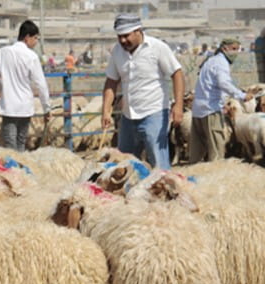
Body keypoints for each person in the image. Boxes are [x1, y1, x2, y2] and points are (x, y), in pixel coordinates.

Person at [101, 14, 184, 170]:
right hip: (128, 116)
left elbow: (177, 74)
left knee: (158, 163)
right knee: (123, 164)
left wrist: (178, 105)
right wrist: (106, 110)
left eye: (126, 36)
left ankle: (164, 191)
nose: (123, 40)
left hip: (154, 113)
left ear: (138, 31)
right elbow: (111, 82)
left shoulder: (157, 48)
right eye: (120, 37)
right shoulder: (117, 52)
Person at [0, 20, 51, 151]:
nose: (36, 42)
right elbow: (41, 85)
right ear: (27, 37)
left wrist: (3, 90)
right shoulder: (31, 56)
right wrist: (46, 108)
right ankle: (22, 169)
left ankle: (13, 169)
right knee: (21, 143)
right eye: (35, 38)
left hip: (9, 107)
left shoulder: (3, 52)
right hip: (25, 107)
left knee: (10, 145)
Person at [190, 38, 252, 164]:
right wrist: (242, 95)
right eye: (233, 49)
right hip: (210, 110)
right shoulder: (221, 63)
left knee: (197, 152)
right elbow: (223, 83)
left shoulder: (210, 61)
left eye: (238, 49)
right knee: (217, 150)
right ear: (225, 48)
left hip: (198, 110)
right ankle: (215, 177)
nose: (236, 53)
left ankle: (194, 176)